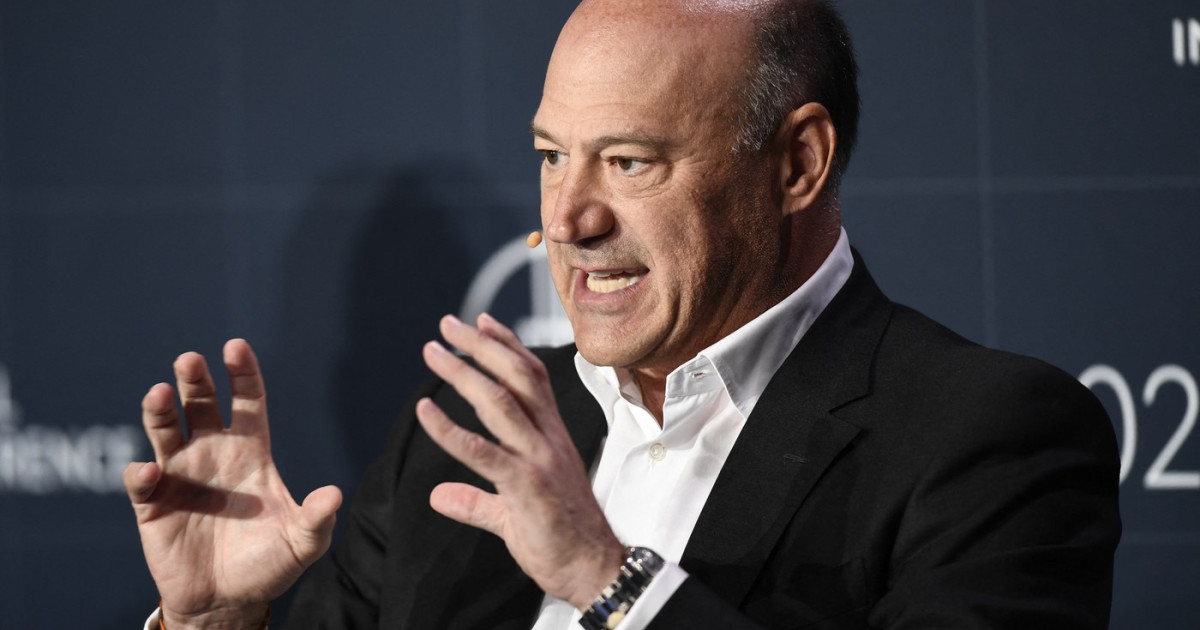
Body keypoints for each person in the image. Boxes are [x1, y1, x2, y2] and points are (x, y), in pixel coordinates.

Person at [123, 1, 1121, 628]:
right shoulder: (465, 434)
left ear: (797, 165)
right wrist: (215, 625)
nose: (568, 220)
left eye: (631, 161)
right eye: (552, 156)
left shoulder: (986, 438)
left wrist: (611, 579)